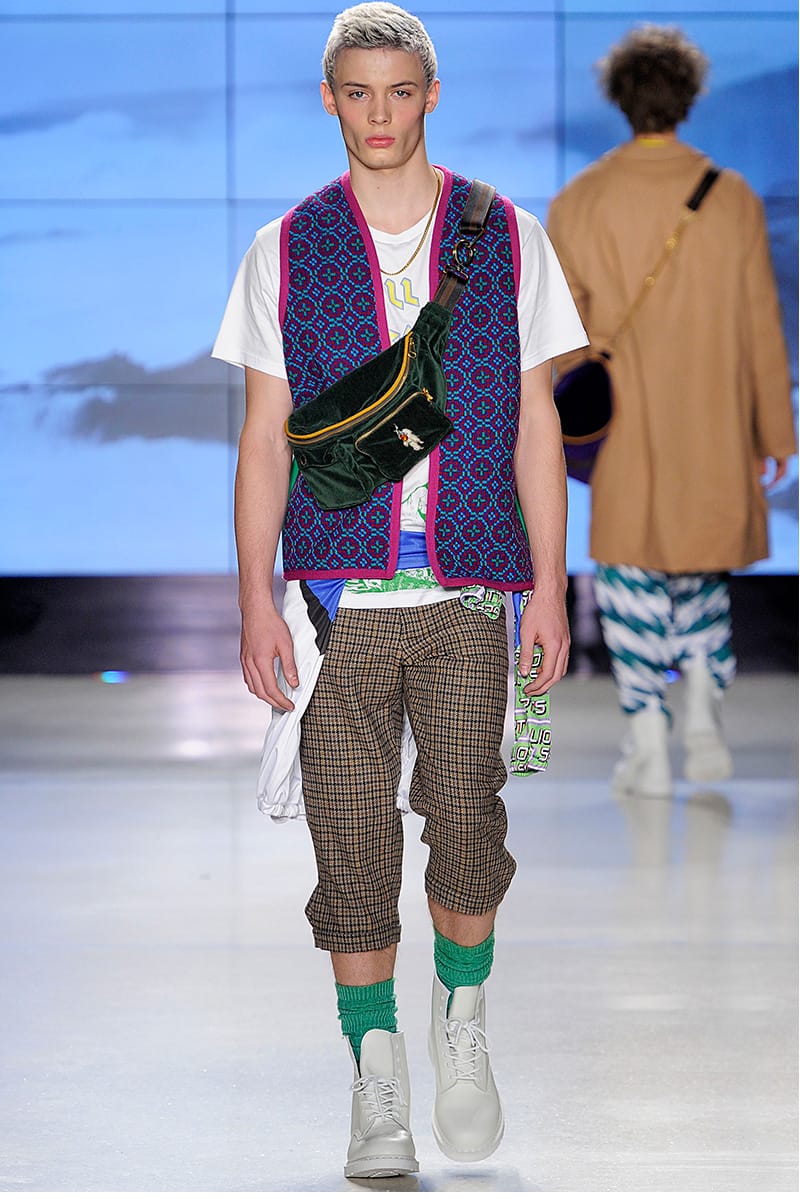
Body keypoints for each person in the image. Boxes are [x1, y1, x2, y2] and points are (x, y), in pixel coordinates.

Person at [212, 1, 586, 1178]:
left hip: (471, 594)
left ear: (429, 96)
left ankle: (460, 1018)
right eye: (357, 92)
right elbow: (263, 437)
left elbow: (535, 422)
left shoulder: (509, 234)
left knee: (469, 820)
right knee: (351, 842)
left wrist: (550, 588)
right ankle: (374, 1075)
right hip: (335, 604)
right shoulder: (285, 247)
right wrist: (254, 597)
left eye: (400, 91)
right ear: (330, 99)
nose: (379, 113)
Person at [547, 25, 795, 799]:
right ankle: (703, 716)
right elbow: (760, 322)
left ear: (620, 101)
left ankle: (648, 737)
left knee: (629, 577)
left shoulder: (580, 200)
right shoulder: (731, 197)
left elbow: (558, 335)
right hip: (713, 421)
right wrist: (774, 429)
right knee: (701, 574)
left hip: (624, 427)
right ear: (687, 99)